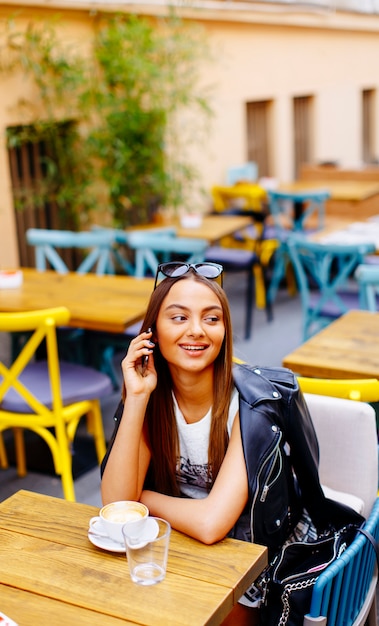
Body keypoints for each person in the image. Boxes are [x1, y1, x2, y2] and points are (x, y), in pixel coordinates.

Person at [101, 261, 363, 625]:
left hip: (257, 553)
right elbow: (114, 505)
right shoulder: (150, 399)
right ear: (152, 334)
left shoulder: (250, 406)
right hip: (181, 541)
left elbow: (212, 523)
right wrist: (137, 398)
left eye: (211, 319)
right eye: (179, 318)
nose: (197, 331)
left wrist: (140, 500)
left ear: (224, 330)